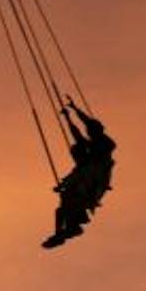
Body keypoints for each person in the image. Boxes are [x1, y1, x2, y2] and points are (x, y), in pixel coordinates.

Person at [42, 101, 116, 249]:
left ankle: (65, 230)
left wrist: (72, 115)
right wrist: (71, 113)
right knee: (63, 209)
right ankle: (66, 230)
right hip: (85, 187)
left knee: (65, 208)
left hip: (90, 185)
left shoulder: (102, 148)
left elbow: (84, 128)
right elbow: (81, 130)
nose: (88, 133)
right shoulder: (85, 162)